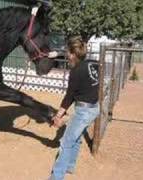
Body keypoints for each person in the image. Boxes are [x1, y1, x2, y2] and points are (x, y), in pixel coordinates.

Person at [48, 36, 100, 180]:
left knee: (66, 142)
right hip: (94, 107)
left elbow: (68, 98)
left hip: (83, 111)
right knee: (76, 138)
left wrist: (58, 115)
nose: (66, 55)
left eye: (67, 52)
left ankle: (56, 177)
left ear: (72, 54)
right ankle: (70, 166)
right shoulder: (93, 63)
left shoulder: (76, 72)